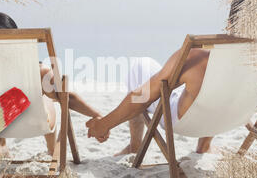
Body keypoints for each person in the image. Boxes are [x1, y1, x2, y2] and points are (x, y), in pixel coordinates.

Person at [0, 12, 107, 156]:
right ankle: (52, 150)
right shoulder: (37, 71)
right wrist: (97, 115)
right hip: (33, 124)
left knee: (0, 99)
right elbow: (65, 97)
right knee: (42, 96)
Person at [86, 48, 215, 155]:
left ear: (228, 24)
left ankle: (134, 147)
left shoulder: (199, 57)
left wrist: (104, 125)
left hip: (178, 120)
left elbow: (142, 97)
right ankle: (204, 146)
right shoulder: (232, 66)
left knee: (141, 66)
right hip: (217, 122)